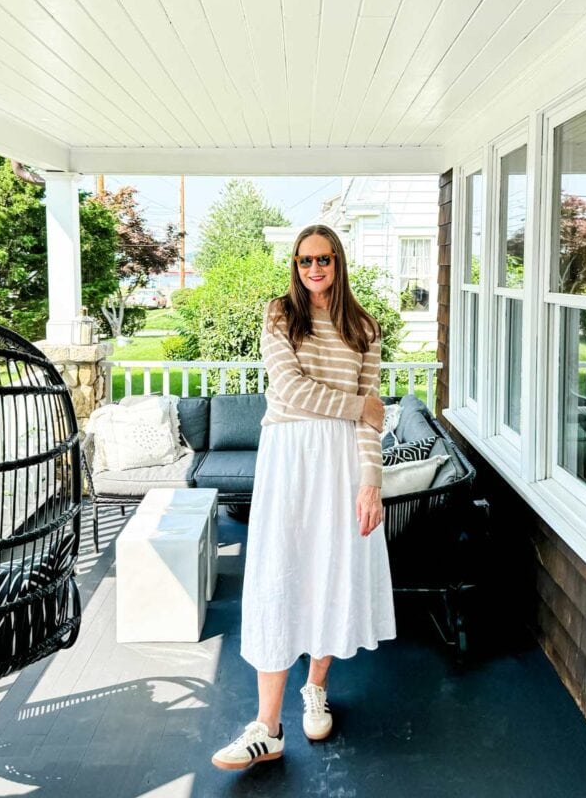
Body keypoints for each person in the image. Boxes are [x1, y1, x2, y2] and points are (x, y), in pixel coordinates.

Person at [211, 225, 396, 770]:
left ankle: (315, 687)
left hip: (342, 462)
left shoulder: (364, 327)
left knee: (330, 572)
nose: (313, 268)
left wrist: (371, 482)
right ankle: (266, 727)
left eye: (323, 259)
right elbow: (287, 391)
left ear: (338, 262)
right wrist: (358, 405)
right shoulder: (279, 315)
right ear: (294, 265)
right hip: (289, 458)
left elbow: (372, 419)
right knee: (278, 574)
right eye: (303, 260)